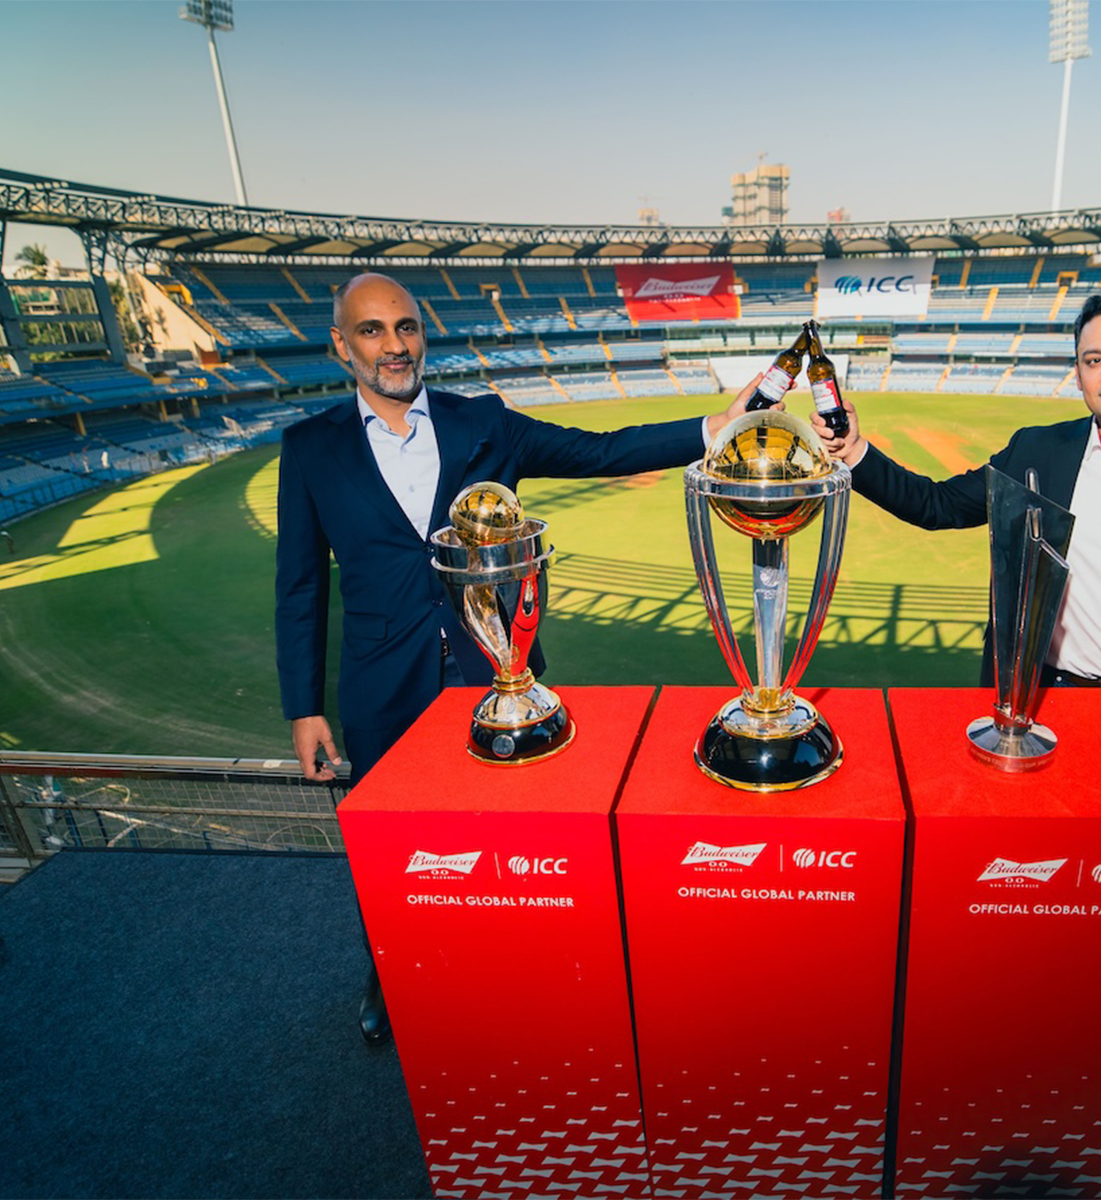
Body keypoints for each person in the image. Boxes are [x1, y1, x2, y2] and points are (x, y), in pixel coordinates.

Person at [275, 272, 759, 1044]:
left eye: (406, 327)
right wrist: (303, 707)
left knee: (512, 834)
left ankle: (521, 964)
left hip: (495, 676)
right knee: (391, 849)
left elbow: (602, 451)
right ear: (342, 345)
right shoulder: (309, 449)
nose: (394, 345)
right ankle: (389, 970)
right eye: (372, 331)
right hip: (380, 686)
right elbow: (298, 584)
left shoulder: (485, 424)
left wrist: (712, 427)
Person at [814, 290, 1101, 798]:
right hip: (1044, 708)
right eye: (1094, 359)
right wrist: (853, 450)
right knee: (1036, 866)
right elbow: (938, 506)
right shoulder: (1036, 449)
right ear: (1078, 370)